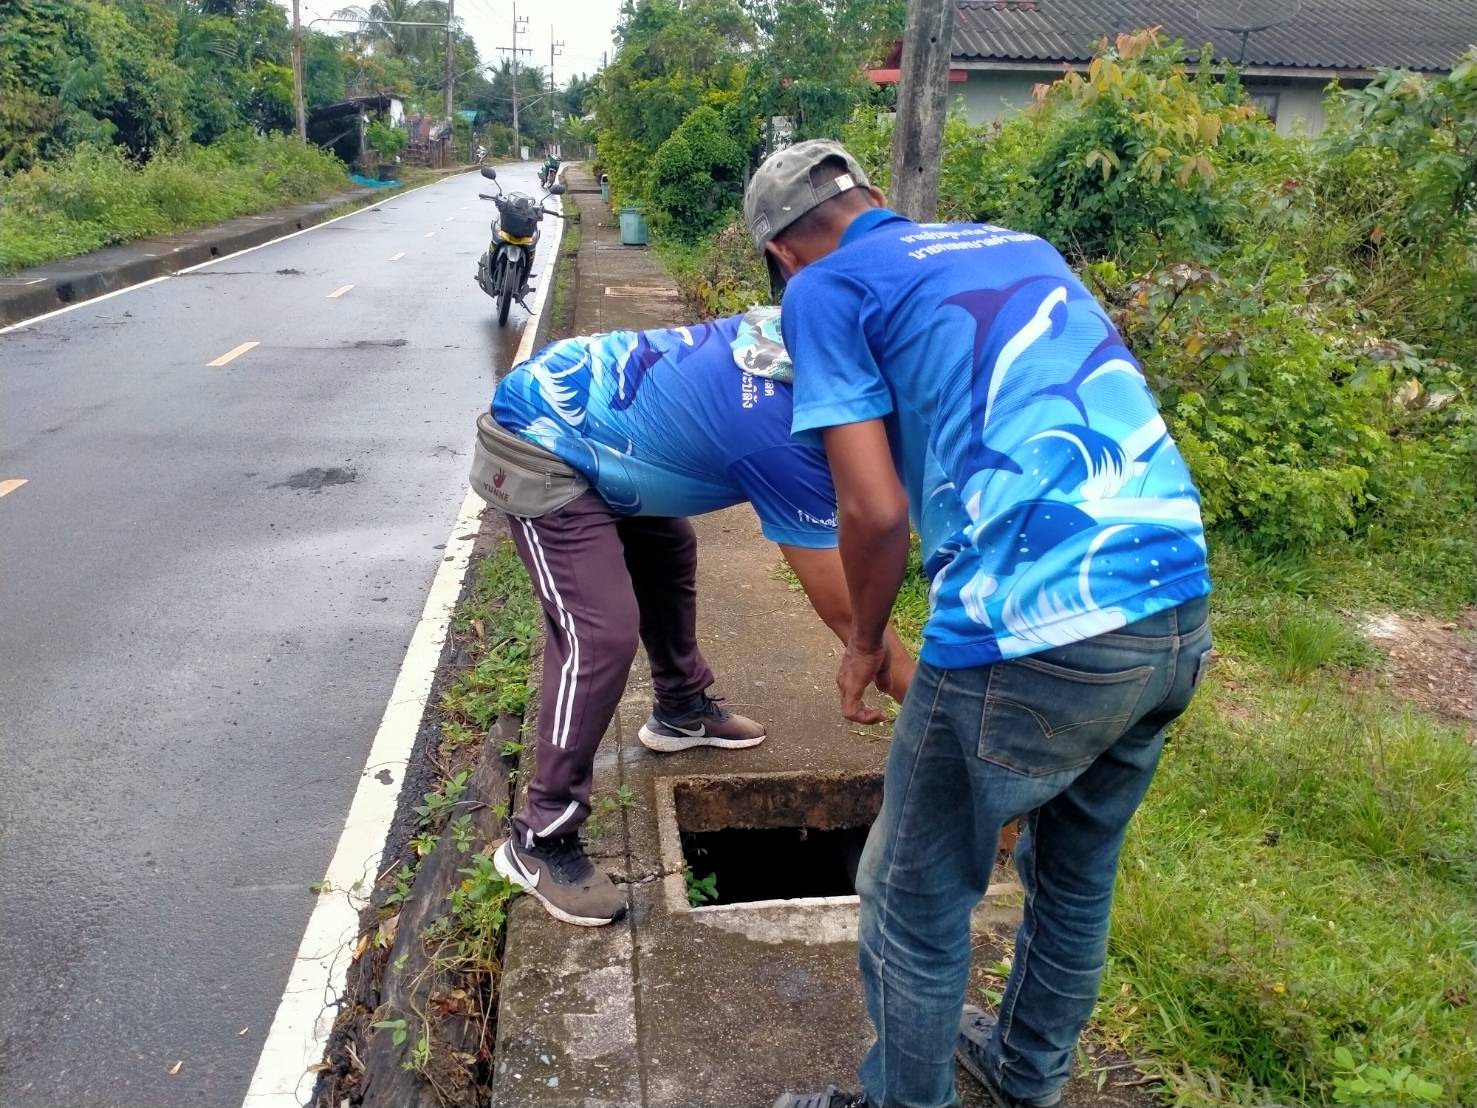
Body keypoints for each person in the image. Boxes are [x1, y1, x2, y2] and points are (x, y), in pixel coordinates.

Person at [745, 141, 1214, 1108]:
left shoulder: (823, 289)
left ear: (782, 253)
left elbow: (871, 511)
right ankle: (1023, 1077)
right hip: (1173, 594)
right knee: (1073, 877)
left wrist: (865, 644)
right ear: (875, 198)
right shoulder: (1020, 243)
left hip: (1030, 623)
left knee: (911, 903)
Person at [472, 307, 914, 928]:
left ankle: (681, 710)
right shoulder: (782, 437)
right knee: (599, 633)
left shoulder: (805, 335)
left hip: (612, 429)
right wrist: (931, 710)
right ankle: (540, 839)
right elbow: (850, 612)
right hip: (541, 442)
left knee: (667, 548)